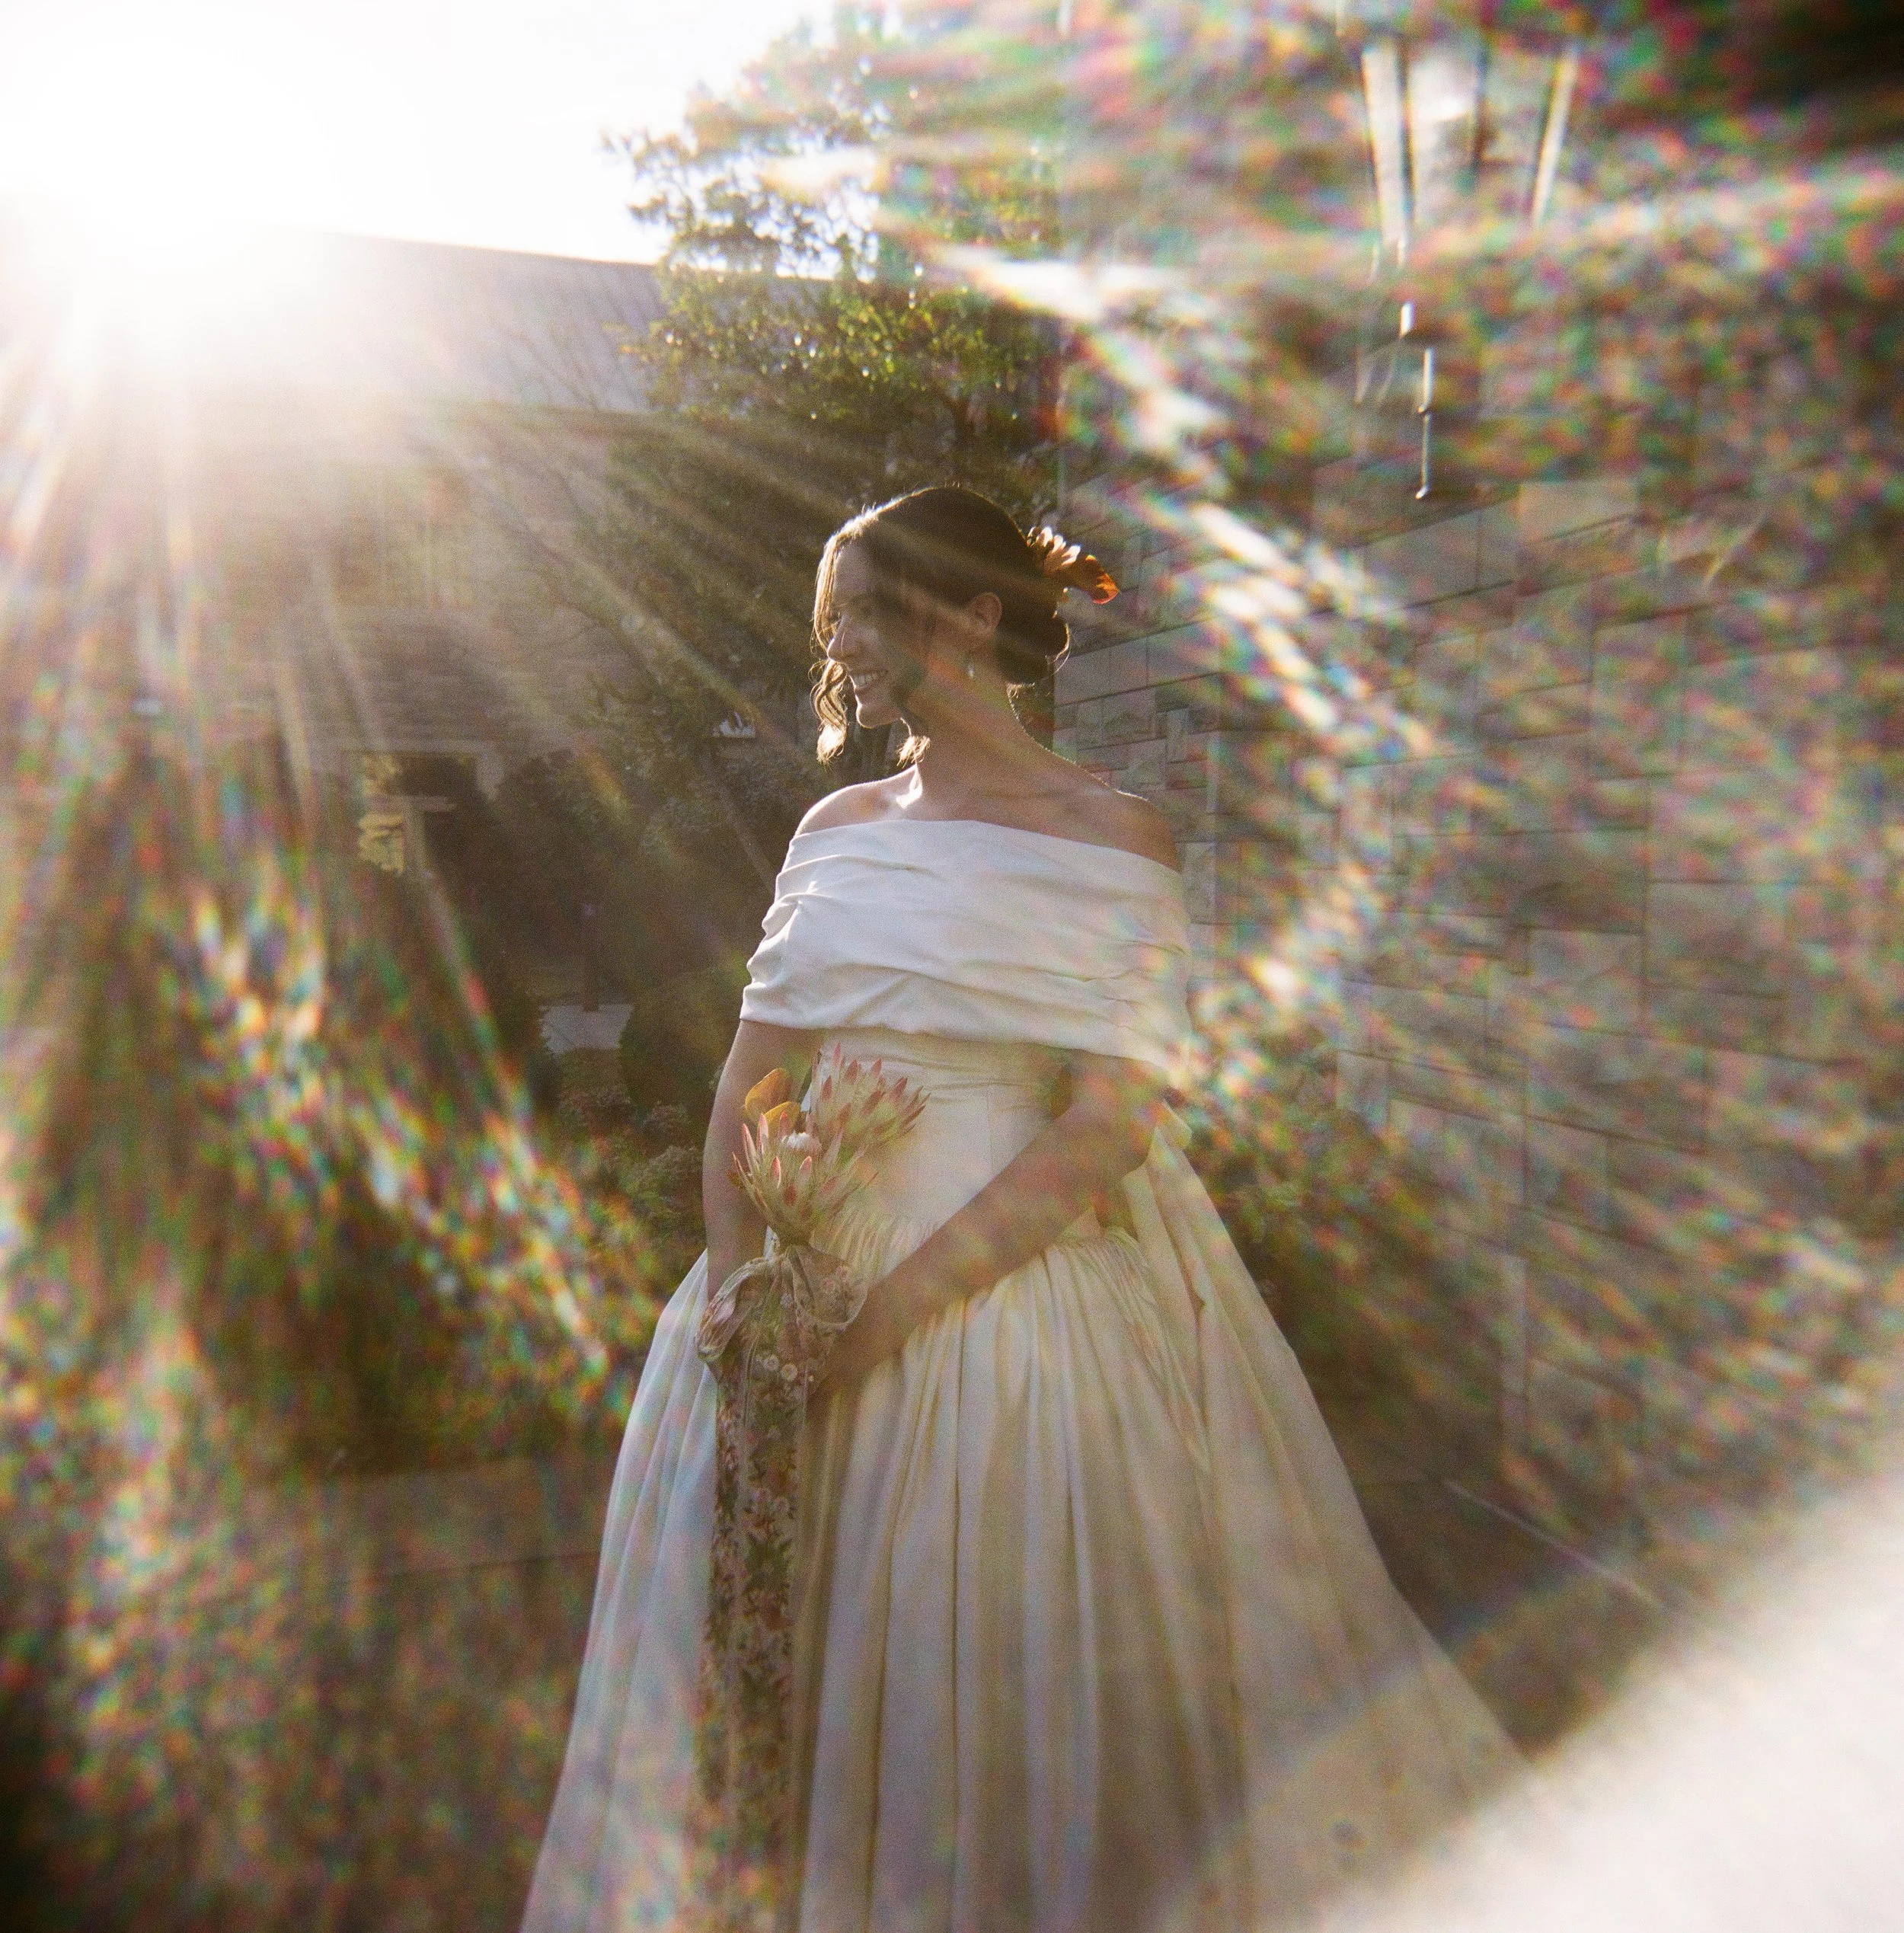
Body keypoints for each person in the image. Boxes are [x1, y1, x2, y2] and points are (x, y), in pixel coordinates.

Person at [522, 487, 1515, 1933]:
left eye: (872, 609)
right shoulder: (835, 828)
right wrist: (747, 1300)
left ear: (980, 614)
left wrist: (881, 1323)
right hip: (786, 1311)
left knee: (974, 1692)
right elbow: (748, 1082)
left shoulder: (1118, 837)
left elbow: (1109, 1125)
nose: (844, 645)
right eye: (836, 619)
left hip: (1004, 1315)